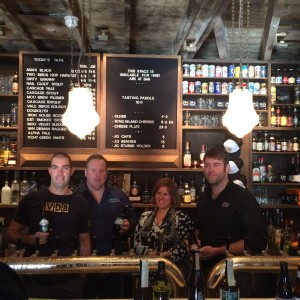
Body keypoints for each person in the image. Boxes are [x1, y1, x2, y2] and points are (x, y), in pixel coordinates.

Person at [6, 152, 91, 299]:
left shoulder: (81, 203)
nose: (60, 172)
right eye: (55, 167)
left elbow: (85, 240)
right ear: (49, 170)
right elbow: (11, 233)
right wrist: (32, 239)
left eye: (65, 167)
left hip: (69, 280)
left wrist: (82, 274)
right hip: (34, 278)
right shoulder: (32, 200)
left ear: (72, 171)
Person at [195, 146, 268, 294]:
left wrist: (217, 251)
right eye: (207, 165)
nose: (210, 170)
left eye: (216, 165)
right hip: (205, 271)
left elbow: (257, 241)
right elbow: (198, 228)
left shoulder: (242, 198)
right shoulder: (203, 197)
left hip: (235, 273)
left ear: (227, 168)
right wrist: (195, 242)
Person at [76, 153, 137, 299]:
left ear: (107, 173)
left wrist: (128, 226)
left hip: (113, 264)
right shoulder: (75, 196)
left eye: (102, 171)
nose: (98, 175)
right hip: (83, 265)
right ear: (85, 172)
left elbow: (133, 219)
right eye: (93, 170)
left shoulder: (119, 195)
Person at [134, 177, 194, 281]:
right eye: (158, 193)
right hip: (147, 272)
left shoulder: (181, 217)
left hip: (173, 274)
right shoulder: (145, 216)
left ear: (172, 197)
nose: (161, 197)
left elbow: (185, 247)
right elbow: (136, 242)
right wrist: (150, 254)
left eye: (166, 194)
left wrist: (162, 255)